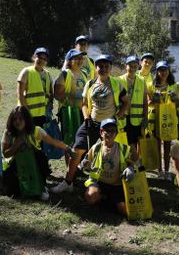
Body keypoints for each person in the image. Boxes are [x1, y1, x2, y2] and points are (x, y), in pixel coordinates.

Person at [51, 54, 130, 193]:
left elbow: (126, 103)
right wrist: (86, 116)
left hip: (108, 127)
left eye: (106, 66)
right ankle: (68, 182)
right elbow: (84, 104)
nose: (103, 69)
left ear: (110, 68)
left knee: (108, 155)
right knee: (76, 150)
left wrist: (117, 116)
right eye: (100, 66)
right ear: (95, 67)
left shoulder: (117, 84)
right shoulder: (90, 83)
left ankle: (108, 185)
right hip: (91, 123)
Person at [1, 106, 71, 201]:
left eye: (21, 119)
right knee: (13, 193)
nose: (17, 122)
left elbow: (53, 141)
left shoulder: (36, 130)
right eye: (15, 119)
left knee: (39, 156)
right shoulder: (8, 133)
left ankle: (41, 187)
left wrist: (68, 148)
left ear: (27, 119)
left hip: (34, 164)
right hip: (16, 165)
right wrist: (16, 145)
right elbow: (5, 154)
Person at [80, 118, 138, 215]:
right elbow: (86, 164)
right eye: (107, 130)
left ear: (116, 133)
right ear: (101, 132)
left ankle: (107, 201)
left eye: (113, 131)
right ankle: (104, 198)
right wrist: (84, 165)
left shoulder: (123, 148)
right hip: (100, 183)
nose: (110, 133)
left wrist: (131, 168)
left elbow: (133, 161)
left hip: (117, 185)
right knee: (90, 197)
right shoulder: (96, 148)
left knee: (124, 210)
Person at [148, 60, 177, 180]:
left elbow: (177, 102)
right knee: (157, 145)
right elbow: (148, 103)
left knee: (167, 145)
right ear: (157, 72)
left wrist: (173, 97)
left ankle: (167, 171)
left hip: (168, 119)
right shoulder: (152, 85)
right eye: (160, 70)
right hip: (155, 118)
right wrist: (155, 99)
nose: (163, 72)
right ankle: (159, 171)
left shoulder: (174, 85)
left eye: (165, 70)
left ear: (168, 71)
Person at [54, 49, 87, 144]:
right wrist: (73, 97)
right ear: (69, 60)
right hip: (69, 114)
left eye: (81, 58)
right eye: (77, 58)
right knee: (70, 141)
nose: (80, 60)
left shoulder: (83, 73)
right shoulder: (64, 74)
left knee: (82, 142)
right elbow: (57, 95)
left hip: (83, 113)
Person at [17, 47, 54, 128]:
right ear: (34, 57)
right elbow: (20, 94)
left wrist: (49, 107)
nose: (42, 60)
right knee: (26, 138)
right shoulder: (26, 72)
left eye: (44, 59)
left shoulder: (48, 74)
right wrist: (26, 113)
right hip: (27, 114)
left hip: (42, 114)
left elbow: (51, 93)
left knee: (38, 139)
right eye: (40, 57)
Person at [119, 55, 148, 152]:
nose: (132, 68)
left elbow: (145, 100)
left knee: (137, 143)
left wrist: (145, 118)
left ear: (138, 67)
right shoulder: (118, 80)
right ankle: (131, 165)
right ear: (125, 66)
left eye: (135, 66)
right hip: (123, 118)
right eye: (130, 66)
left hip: (137, 119)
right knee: (126, 143)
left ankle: (136, 164)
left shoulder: (141, 80)